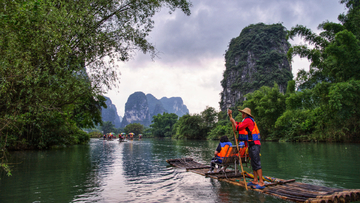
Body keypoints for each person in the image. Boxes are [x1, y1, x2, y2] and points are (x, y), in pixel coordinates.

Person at [228, 108, 265, 189]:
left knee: (256, 162)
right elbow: (239, 124)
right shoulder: (246, 120)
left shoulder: (248, 120)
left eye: (243, 113)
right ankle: (255, 180)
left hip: (255, 144)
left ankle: (261, 182)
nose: (242, 115)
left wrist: (234, 122)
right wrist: (232, 119)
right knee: (253, 162)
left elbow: (238, 128)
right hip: (251, 144)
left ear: (246, 114)